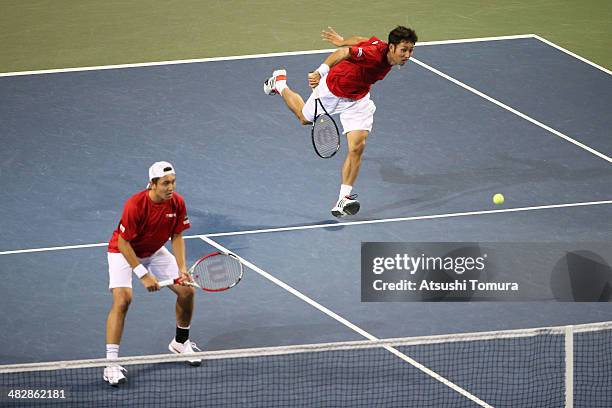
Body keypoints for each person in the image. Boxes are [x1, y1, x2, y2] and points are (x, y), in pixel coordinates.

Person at [263, 26, 417, 217]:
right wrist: (320, 72)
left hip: (358, 99)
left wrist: (342, 39)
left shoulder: (381, 47)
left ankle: (344, 198)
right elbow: (344, 53)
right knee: (304, 118)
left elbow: (361, 38)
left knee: (357, 147)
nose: (408, 55)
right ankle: (279, 83)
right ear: (392, 47)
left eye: (411, 50)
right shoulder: (373, 54)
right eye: (404, 50)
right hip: (332, 91)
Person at [103, 161, 199, 386]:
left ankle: (180, 343)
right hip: (123, 252)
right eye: (165, 183)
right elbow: (124, 243)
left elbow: (177, 236)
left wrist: (182, 269)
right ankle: (110, 364)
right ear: (152, 184)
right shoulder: (135, 205)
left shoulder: (177, 202)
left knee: (187, 290)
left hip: (154, 250)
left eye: (173, 182)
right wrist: (142, 274)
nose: (171, 187)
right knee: (123, 300)